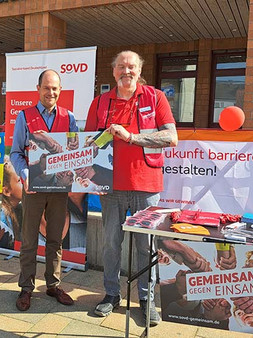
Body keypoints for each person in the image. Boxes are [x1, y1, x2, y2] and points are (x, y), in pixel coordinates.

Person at [85, 51, 178, 324]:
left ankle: (147, 300)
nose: (127, 71)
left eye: (132, 67)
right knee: (111, 245)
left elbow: (171, 137)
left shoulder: (155, 97)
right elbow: (88, 142)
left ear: (139, 70)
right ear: (113, 71)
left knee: (146, 247)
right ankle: (111, 295)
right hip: (110, 186)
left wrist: (132, 137)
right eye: (121, 67)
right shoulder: (100, 103)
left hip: (146, 186)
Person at [10, 69, 78, 311]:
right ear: (38, 89)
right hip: (34, 189)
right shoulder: (24, 116)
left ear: (60, 91)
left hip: (59, 190)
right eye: (47, 87)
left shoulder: (69, 117)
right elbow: (16, 153)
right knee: (28, 240)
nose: (51, 92)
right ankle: (26, 288)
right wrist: (25, 173)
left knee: (55, 239)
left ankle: (53, 284)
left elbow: (74, 153)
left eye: (55, 88)